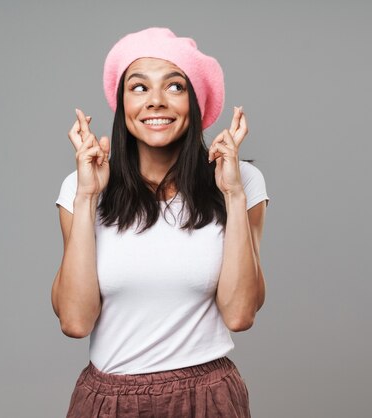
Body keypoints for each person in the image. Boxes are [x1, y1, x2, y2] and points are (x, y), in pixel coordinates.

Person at [52, 27, 269, 418]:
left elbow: (240, 314)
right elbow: (74, 320)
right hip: (108, 400)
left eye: (174, 87)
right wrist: (86, 198)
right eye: (138, 88)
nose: (155, 101)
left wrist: (233, 194)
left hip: (206, 398)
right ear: (122, 104)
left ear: (195, 102)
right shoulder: (82, 187)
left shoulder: (239, 183)